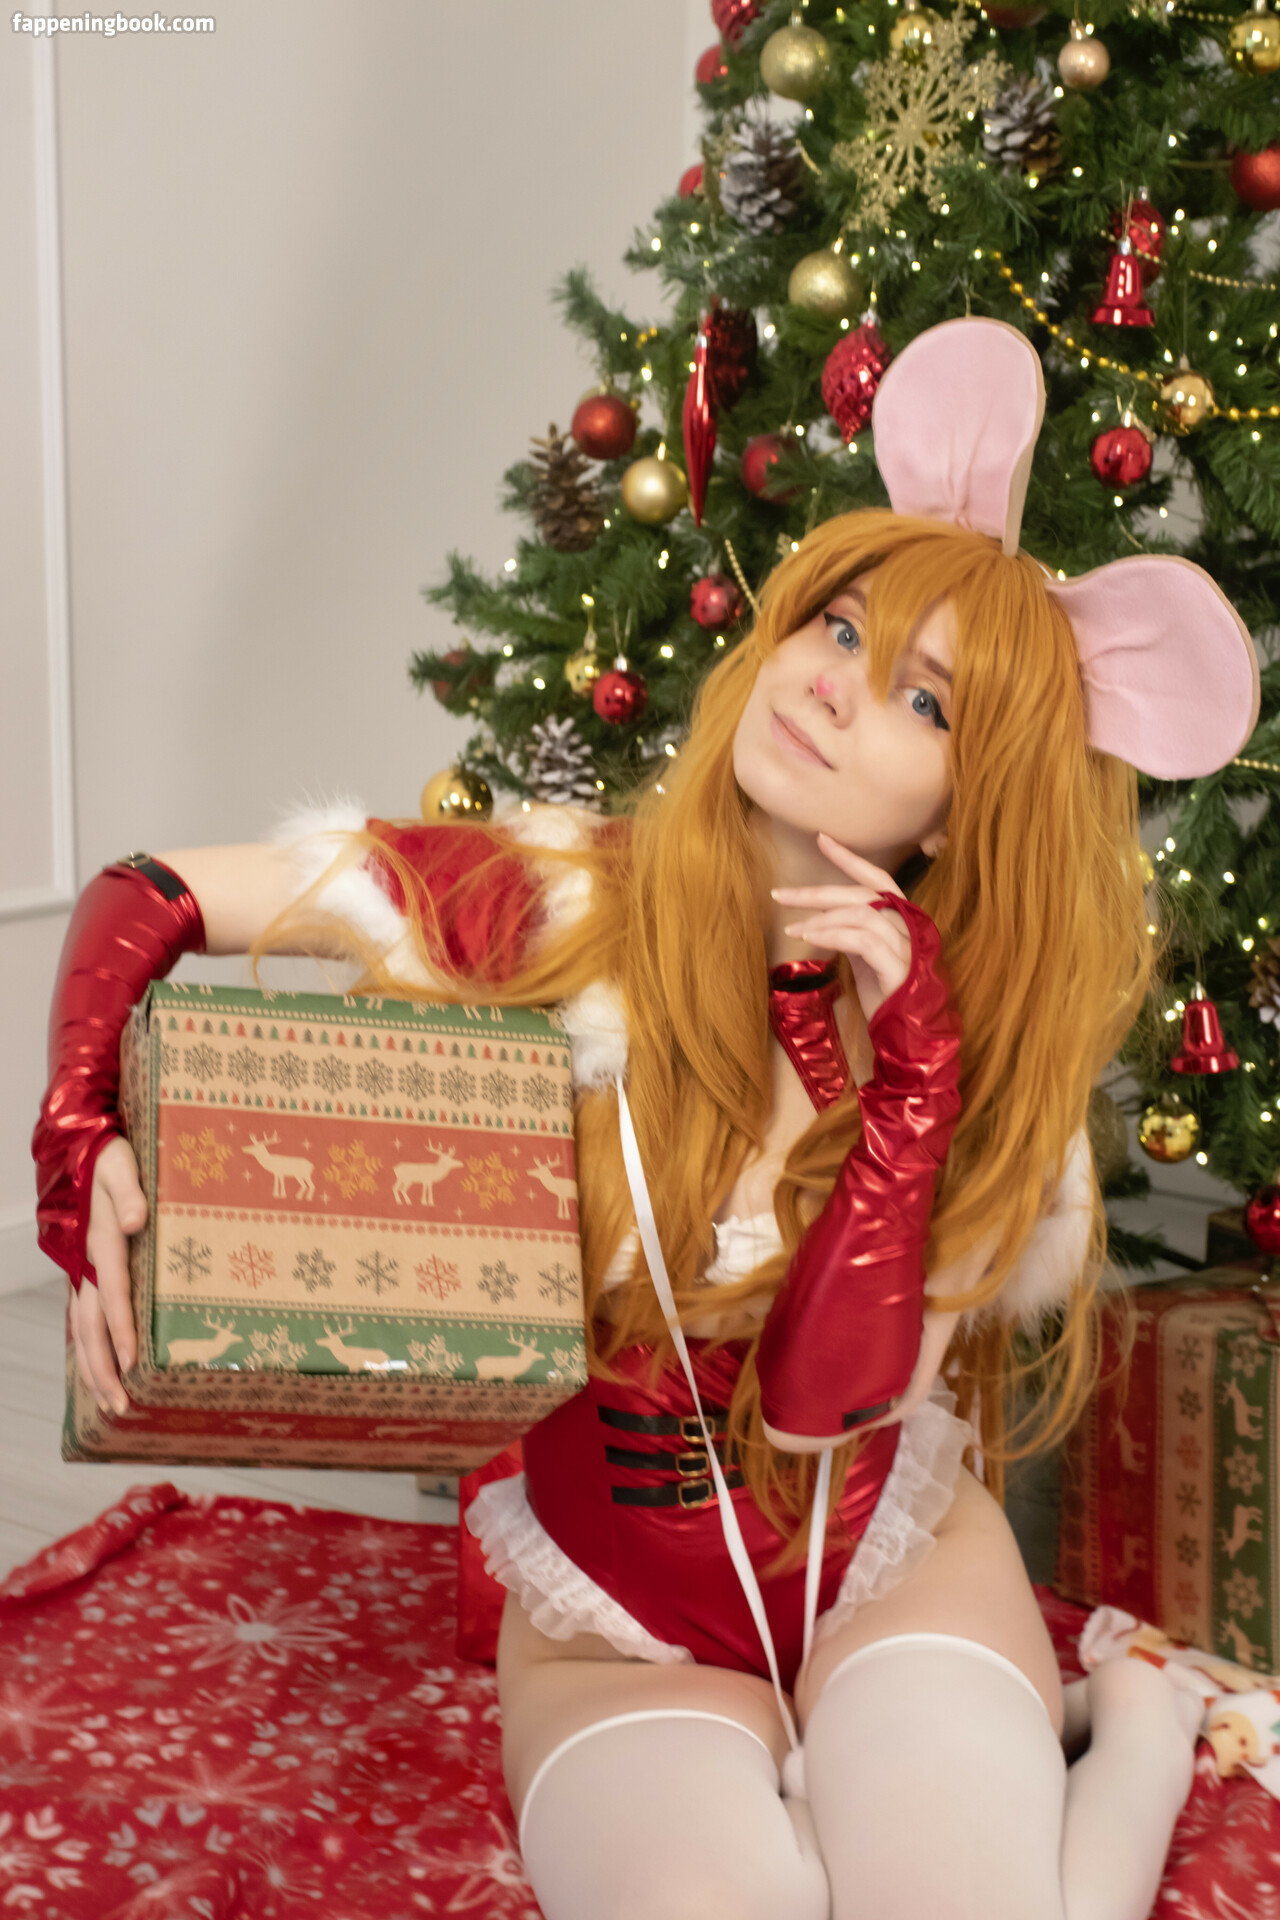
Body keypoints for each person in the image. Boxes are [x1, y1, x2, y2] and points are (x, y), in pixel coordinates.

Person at [33, 318, 1258, 1920]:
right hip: (614, 1626)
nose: (834, 687)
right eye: (837, 626)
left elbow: (817, 1410)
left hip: (890, 1574)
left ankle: (1140, 1728)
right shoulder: (554, 896)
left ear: (968, 809)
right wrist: (79, 1145)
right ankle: (1086, 1726)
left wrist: (909, 1095)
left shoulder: (976, 1045)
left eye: (924, 700)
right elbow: (156, 891)